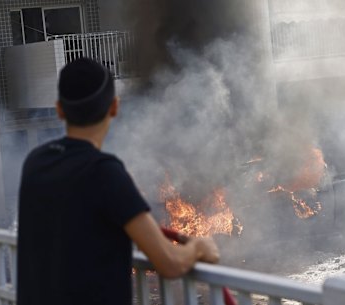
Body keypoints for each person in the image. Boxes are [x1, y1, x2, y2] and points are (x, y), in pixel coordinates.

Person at [17, 58, 219, 305]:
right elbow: (170, 263)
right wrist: (199, 248)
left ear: (59, 109)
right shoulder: (104, 172)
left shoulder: (36, 162)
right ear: (114, 107)